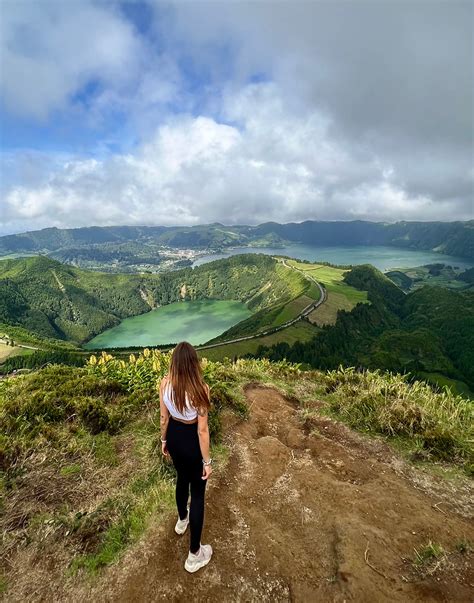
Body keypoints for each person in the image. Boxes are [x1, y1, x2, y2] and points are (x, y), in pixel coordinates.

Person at [159, 341, 213, 573]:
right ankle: (194, 555)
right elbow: (202, 430)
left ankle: (182, 520)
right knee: (198, 493)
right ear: (194, 364)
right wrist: (207, 462)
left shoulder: (163, 384)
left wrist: (163, 441)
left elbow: (164, 418)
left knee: (182, 479)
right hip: (191, 440)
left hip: (174, 437)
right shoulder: (201, 389)